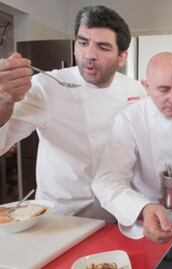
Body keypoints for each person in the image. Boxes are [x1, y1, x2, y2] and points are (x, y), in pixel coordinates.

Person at [0, 6, 146, 221]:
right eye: (83, 42)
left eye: (103, 47)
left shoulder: (136, 90)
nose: (89, 55)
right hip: (60, 217)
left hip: (116, 215)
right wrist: (4, 100)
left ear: (122, 56)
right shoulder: (45, 86)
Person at [92, 52, 172, 242]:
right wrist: (143, 209)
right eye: (163, 90)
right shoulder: (131, 119)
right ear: (146, 86)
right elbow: (106, 180)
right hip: (144, 224)